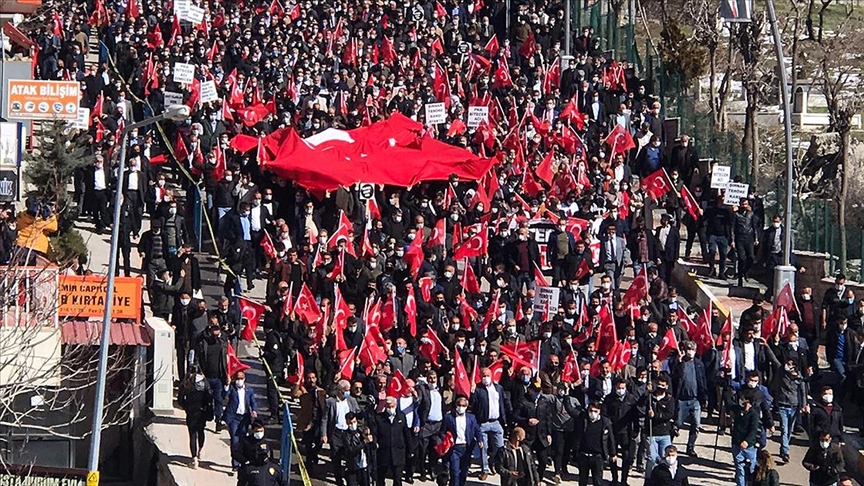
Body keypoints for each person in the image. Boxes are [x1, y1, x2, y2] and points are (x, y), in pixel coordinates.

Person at [470, 367, 511, 480]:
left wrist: (507, 418)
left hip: (496, 422)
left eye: (487, 375)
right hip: (482, 423)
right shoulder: (478, 389)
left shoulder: (498, 388)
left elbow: (504, 403)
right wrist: (472, 393)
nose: (486, 378)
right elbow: (472, 406)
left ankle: (493, 462)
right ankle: (485, 470)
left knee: (500, 447)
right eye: (483, 376)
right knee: (483, 447)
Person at [322, 380, 362, 486]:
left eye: (348, 390)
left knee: (350, 456)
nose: (347, 392)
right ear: (339, 391)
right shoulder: (330, 402)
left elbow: (358, 414)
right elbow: (325, 418)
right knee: (336, 458)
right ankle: (339, 480)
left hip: (349, 433)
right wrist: (324, 434)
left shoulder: (352, 400)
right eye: (345, 390)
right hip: (336, 434)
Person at [441, 396, 483, 486]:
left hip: (466, 448)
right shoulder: (448, 417)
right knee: (454, 472)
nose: (461, 407)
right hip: (454, 448)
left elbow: (477, 430)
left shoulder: (471, 418)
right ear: (455, 405)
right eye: (459, 405)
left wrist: (480, 440)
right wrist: (447, 439)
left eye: (463, 405)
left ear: (466, 406)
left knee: (464, 472)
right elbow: (442, 432)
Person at [177, 370, 213, 469]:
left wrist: (186, 407)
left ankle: (194, 459)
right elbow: (209, 398)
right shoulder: (205, 383)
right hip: (202, 412)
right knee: (201, 431)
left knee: (192, 435)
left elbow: (180, 399)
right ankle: (200, 450)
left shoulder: (187, 383)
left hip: (191, 413)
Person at [195, 324, 228, 431]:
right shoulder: (204, 344)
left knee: (218, 400)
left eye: (217, 330)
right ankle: (203, 419)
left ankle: (218, 421)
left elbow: (226, 361)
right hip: (206, 377)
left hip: (218, 378)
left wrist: (227, 375)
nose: (216, 332)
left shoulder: (222, 345)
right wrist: (200, 373)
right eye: (214, 330)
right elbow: (198, 359)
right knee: (205, 400)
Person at [225, 370, 259, 471]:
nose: (239, 381)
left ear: (244, 379)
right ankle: (235, 463)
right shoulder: (232, 389)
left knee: (243, 440)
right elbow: (224, 395)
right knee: (235, 440)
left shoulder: (249, 390)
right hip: (234, 418)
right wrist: (227, 385)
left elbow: (253, 402)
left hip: (244, 418)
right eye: (237, 378)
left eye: (241, 378)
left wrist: (254, 410)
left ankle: (242, 461)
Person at [575, 401, 615, 486]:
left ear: (599, 411)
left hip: (597, 457)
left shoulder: (605, 422)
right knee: (582, 480)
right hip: (584, 456)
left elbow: (610, 439)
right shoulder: (583, 420)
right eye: (591, 410)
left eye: (595, 411)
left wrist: (613, 453)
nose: (592, 413)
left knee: (597, 481)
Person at [729, 393, 760, 486]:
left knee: (751, 471)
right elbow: (728, 402)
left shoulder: (754, 414)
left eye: (748, 403)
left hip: (750, 448)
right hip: (737, 445)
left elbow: (753, 430)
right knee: (740, 470)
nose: (746, 405)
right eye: (743, 402)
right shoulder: (737, 410)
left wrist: (747, 441)